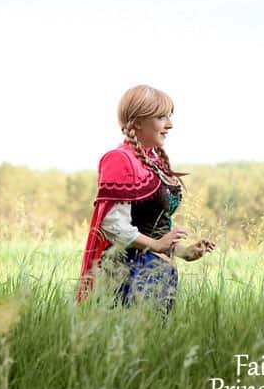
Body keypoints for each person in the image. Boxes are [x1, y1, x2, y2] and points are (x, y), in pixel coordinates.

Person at [76, 84, 216, 316]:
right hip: (127, 273)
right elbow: (113, 226)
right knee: (129, 345)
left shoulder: (152, 162)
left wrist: (183, 252)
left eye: (169, 116)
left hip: (159, 272)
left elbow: (149, 226)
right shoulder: (119, 159)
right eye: (161, 117)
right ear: (138, 121)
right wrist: (157, 246)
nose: (169, 125)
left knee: (154, 346)